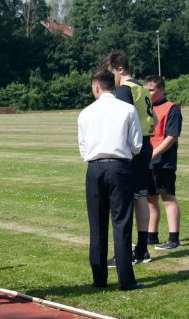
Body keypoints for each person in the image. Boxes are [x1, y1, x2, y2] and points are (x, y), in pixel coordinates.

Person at [78, 69, 143, 290]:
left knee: (97, 224)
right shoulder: (127, 109)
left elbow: (83, 147)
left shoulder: (85, 113)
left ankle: (99, 279)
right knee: (121, 223)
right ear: (112, 86)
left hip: (94, 168)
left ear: (96, 87)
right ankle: (126, 280)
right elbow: (136, 144)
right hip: (120, 167)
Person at [101, 50, 156, 266]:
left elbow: (121, 121)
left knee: (122, 202)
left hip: (132, 149)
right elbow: (155, 118)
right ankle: (142, 249)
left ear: (120, 69)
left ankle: (123, 254)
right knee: (140, 196)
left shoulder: (124, 90)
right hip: (147, 144)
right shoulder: (143, 88)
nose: (110, 78)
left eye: (111, 72)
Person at [143, 75, 183, 250]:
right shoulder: (145, 108)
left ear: (161, 89)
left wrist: (154, 153)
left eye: (151, 90)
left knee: (167, 197)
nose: (148, 93)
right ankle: (152, 237)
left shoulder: (171, 108)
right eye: (146, 90)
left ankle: (174, 239)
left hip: (164, 162)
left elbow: (172, 137)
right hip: (147, 161)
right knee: (150, 200)